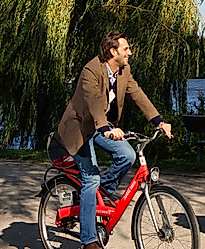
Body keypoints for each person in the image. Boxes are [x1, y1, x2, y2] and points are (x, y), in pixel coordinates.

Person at [56, 31, 173, 249]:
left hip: (103, 127)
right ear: (113, 51)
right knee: (90, 178)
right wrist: (105, 128)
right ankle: (89, 240)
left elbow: (138, 95)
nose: (130, 52)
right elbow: (93, 102)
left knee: (127, 154)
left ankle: (102, 194)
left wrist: (159, 121)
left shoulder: (123, 71)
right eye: (126, 49)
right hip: (80, 127)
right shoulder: (91, 70)